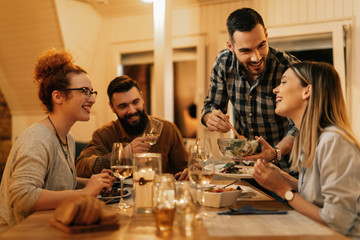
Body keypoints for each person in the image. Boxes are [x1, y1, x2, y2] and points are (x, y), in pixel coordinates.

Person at [0, 49, 114, 227]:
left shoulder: (67, 137)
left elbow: (57, 181)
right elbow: (23, 197)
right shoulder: (37, 138)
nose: (91, 99)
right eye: (84, 91)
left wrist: (93, 182)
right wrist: (85, 193)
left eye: (92, 92)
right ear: (58, 96)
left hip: (50, 227)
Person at [253, 61, 360, 238]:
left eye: (284, 82)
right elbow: (316, 194)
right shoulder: (312, 139)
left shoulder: (334, 142)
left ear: (307, 91)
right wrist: (281, 178)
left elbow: (337, 222)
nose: (275, 90)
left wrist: (283, 190)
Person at [201, 8, 299, 171]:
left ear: (266, 35)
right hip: (245, 167)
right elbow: (211, 106)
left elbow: (300, 125)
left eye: (261, 45)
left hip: (287, 168)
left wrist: (275, 153)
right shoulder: (223, 63)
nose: (257, 57)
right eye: (246, 50)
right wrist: (210, 117)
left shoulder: (288, 68)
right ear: (230, 46)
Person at [75, 75, 188, 179]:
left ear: (142, 98)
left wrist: (190, 171)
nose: (132, 110)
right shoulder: (104, 134)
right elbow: (80, 167)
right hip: (120, 199)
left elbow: (186, 167)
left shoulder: (167, 129)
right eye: (123, 106)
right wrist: (122, 154)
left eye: (135, 102)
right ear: (112, 107)